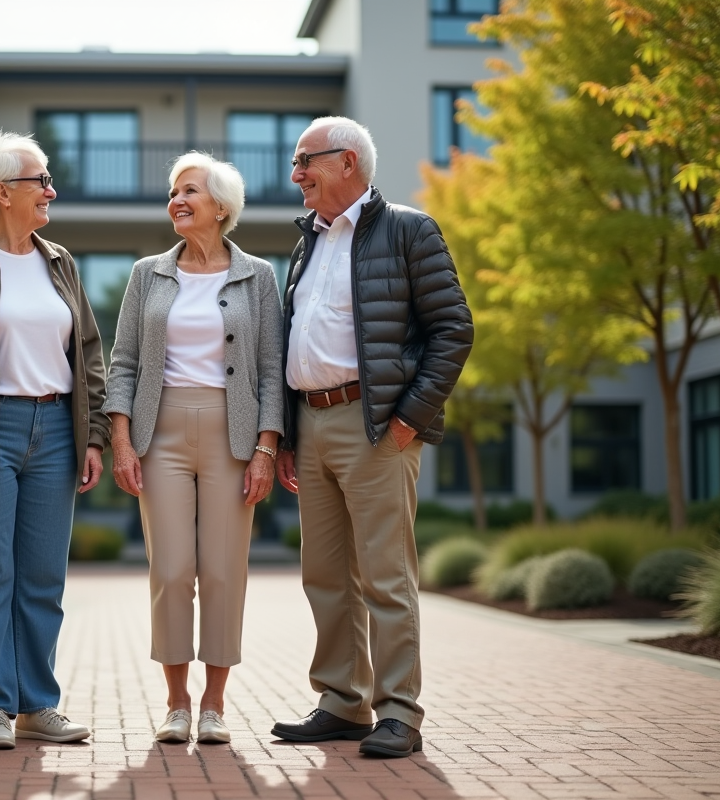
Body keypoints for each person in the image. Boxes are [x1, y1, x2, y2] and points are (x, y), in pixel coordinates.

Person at [270, 117, 473, 758]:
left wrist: (411, 417)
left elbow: (453, 330)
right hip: (314, 419)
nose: (296, 173)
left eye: (306, 161)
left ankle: (399, 712)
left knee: (386, 575)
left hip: (378, 424)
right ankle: (342, 700)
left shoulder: (410, 230)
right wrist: (291, 434)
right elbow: (295, 340)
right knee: (325, 574)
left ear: (348, 162)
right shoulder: (306, 243)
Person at [0, 131, 109, 750]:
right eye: (41, 181)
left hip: (56, 429)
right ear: (2, 191)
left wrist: (92, 436)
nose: (51, 192)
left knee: (42, 578)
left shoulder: (59, 261)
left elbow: (87, 350)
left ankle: (37, 703)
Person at [106, 152, 284, 745]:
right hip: (162, 433)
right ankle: (176, 702)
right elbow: (124, 362)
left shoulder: (257, 276)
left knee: (224, 570)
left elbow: (270, 368)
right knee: (173, 569)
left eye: (189, 192)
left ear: (221, 207)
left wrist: (265, 448)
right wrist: (122, 440)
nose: (176, 201)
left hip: (233, 432)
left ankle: (214, 704)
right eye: (172, 193)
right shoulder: (147, 274)